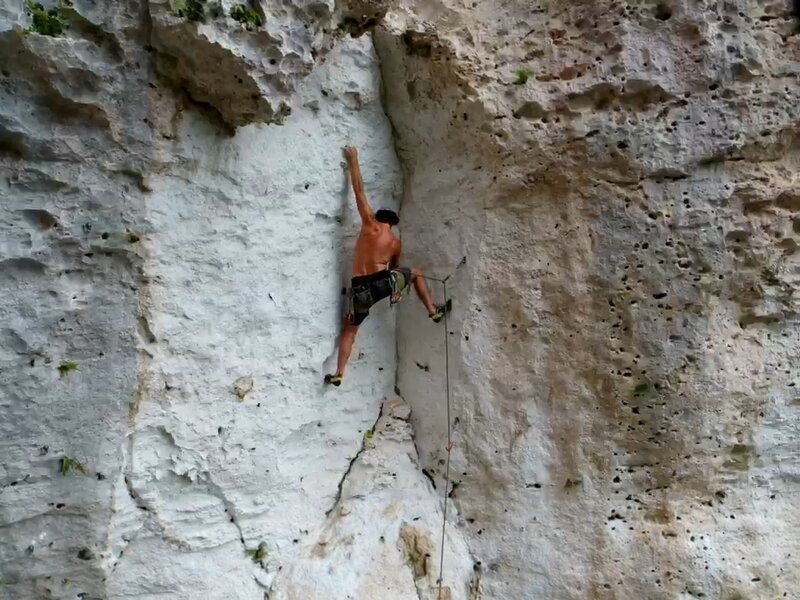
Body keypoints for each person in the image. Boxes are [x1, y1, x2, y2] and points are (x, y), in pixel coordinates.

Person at [324, 146, 449, 387]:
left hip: (359, 289)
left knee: (350, 331)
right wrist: (397, 292)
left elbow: (359, 192)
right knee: (417, 273)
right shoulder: (395, 243)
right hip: (381, 284)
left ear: (378, 217)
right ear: (393, 223)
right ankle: (433, 310)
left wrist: (353, 160)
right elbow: (396, 270)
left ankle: (339, 372)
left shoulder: (370, 225)